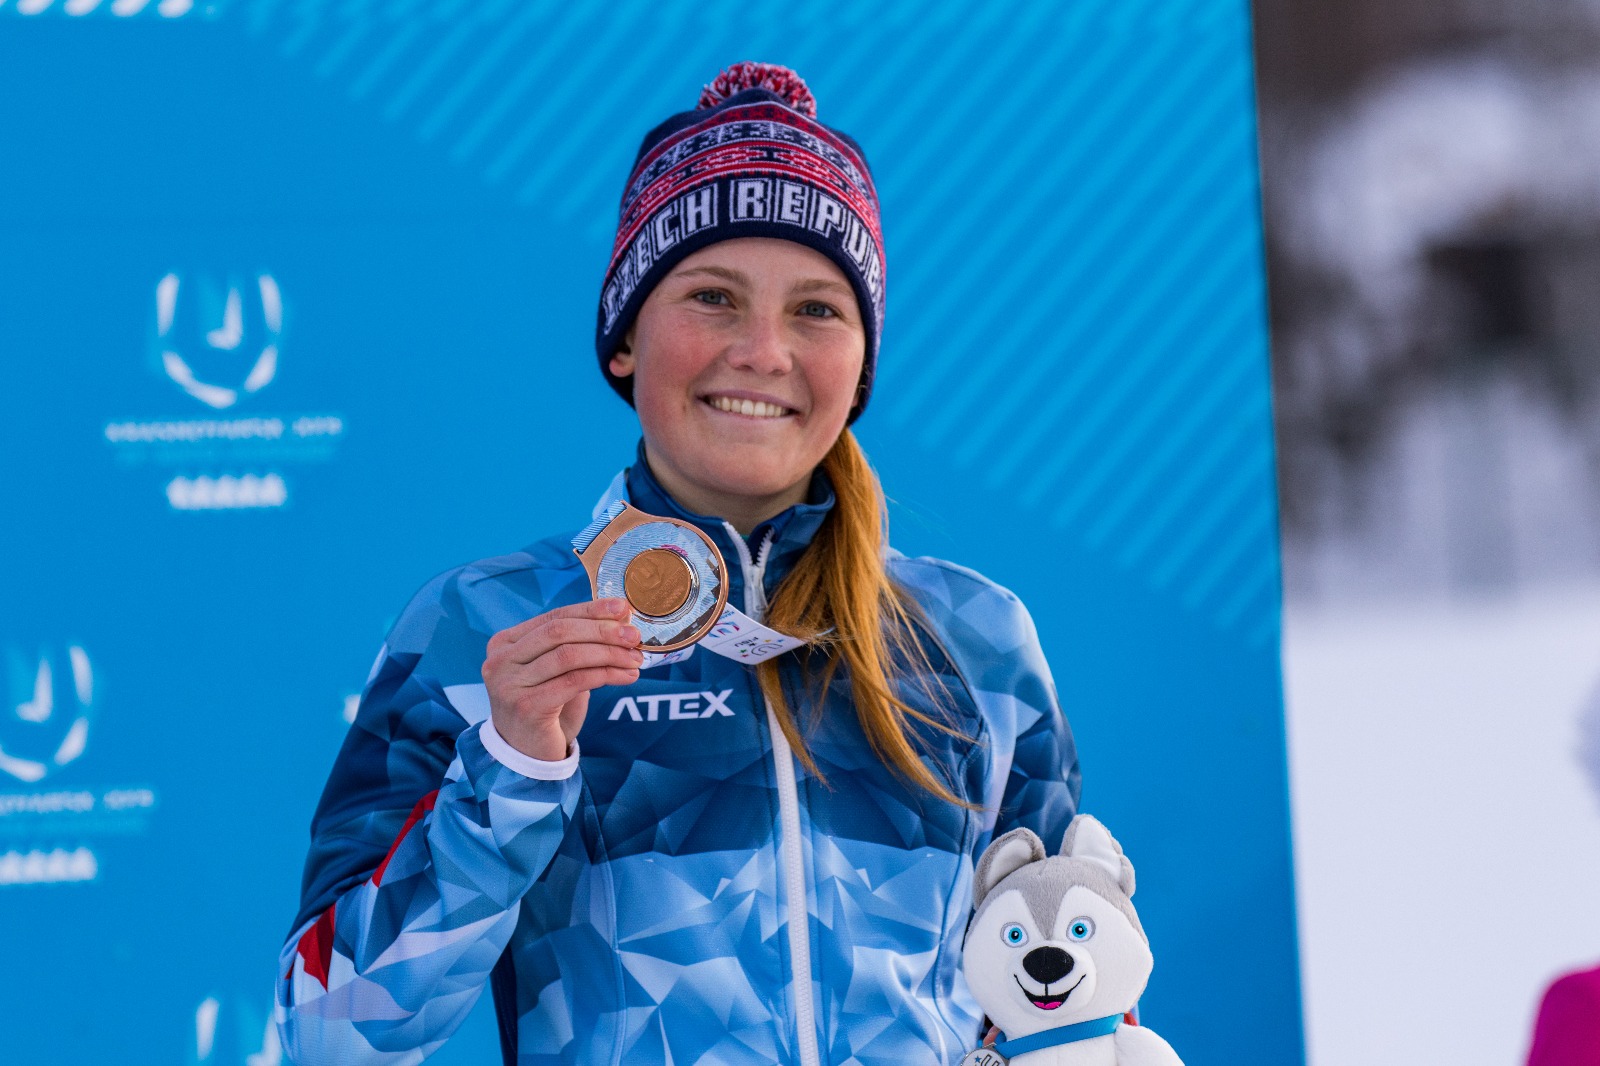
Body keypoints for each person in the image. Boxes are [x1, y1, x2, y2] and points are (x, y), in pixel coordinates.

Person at [275, 62, 1080, 1066]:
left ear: (861, 363)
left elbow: (1070, 1002)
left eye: (817, 310)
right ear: (625, 340)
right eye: (712, 297)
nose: (763, 352)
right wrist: (511, 776)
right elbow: (329, 1034)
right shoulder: (486, 629)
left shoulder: (974, 642)